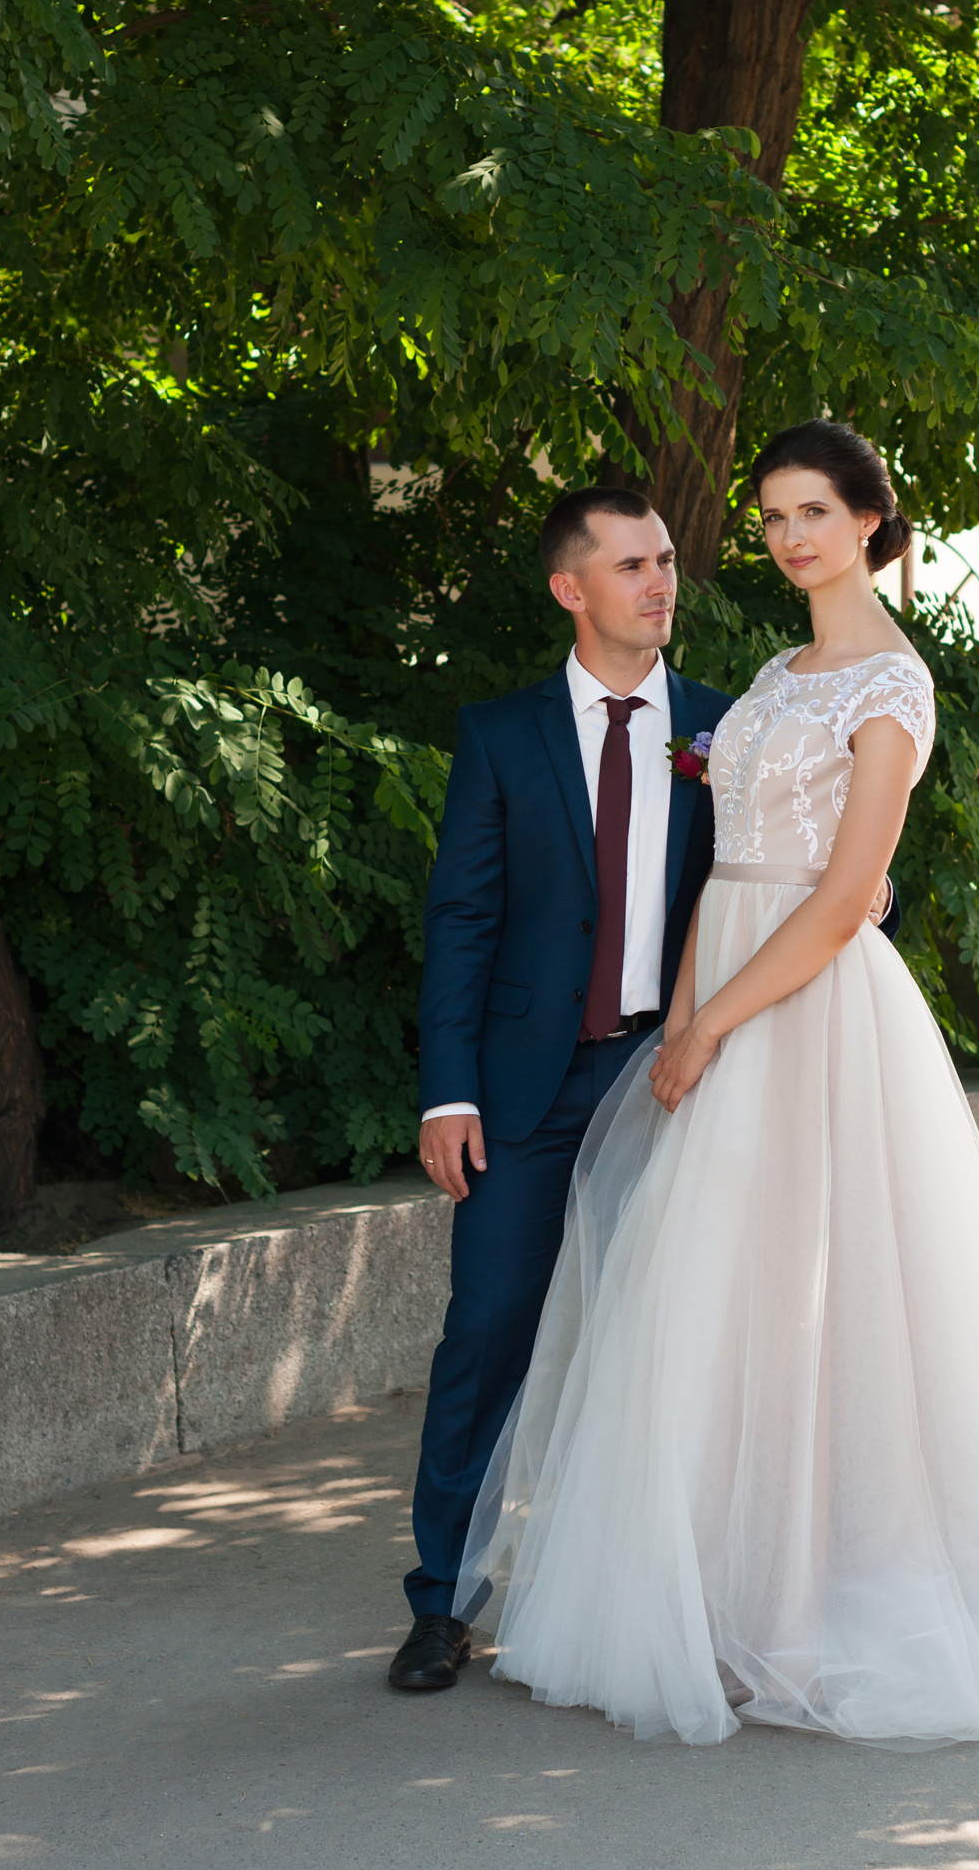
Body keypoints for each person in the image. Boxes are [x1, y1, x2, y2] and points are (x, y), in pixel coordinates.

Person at [452, 421, 979, 1747]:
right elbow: (727, 862)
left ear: (869, 520)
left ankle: (815, 1608)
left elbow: (849, 894)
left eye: (812, 510)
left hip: (812, 1013)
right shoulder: (771, 670)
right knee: (713, 1297)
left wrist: (715, 1025)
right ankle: (725, 1602)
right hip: (726, 990)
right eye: (771, 515)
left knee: (830, 1304)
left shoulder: (892, 686)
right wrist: (684, 1014)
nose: (788, 536)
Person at [389, 483, 896, 1694]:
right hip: (522, 1087)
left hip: (682, 1068)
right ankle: (442, 1601)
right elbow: (461, 920)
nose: (660, 582)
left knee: (684, 1336)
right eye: (631, 566)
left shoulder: (734, 722)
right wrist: (447, 1093)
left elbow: (816, 858)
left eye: (666, 560)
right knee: (487, 1333)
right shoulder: (499, 735)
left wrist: (875, 897)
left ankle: (672, 1596)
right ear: (570, 588)